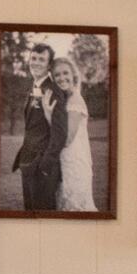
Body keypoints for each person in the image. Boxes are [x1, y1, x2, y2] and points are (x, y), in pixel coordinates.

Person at [9, 42, 61, 211]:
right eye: (34, 58)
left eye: (41, 59)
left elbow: (60, 133)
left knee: (43, 215)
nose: (36, 63)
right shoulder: (34, 87)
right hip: (28, 162)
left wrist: (45, 165)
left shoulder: (53, 91)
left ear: (49, 65)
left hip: (42, 166)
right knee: (29, 212)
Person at [51, 49, 95, 211]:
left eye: (65, 73)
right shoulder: (66, 99)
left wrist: (48, 114)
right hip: (65, 161)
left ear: (73, 75)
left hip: (75, 162)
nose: (62, 78)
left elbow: (67, 138)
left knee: (75, 208)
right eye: (57, 75)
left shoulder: (75, 100)